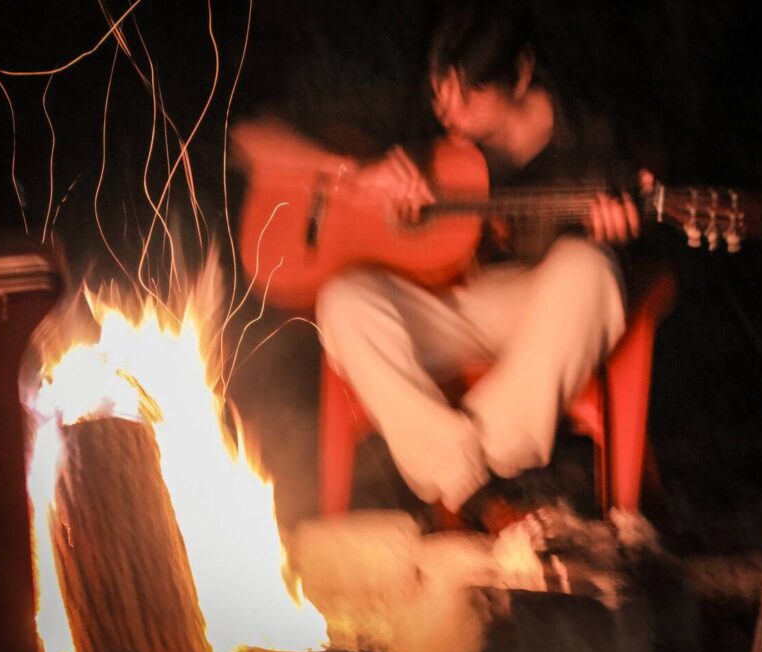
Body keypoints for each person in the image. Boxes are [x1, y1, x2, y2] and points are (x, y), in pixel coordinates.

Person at [233, 2, 640, 521]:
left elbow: (635, 261)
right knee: (343, 302)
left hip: (531, 316)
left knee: (592, 270)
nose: (448, 109)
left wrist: (617, 232)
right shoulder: (418, 114)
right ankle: (474, 485)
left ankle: (468, 478)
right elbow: (250, 138)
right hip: (436, 310)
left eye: (469, 93)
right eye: (439, 90)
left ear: (519, 74)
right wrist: (353, 173)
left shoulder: (593, 138)